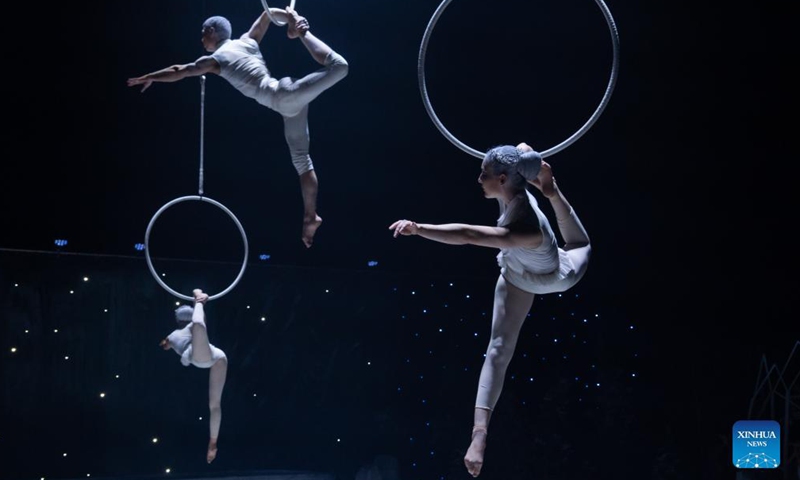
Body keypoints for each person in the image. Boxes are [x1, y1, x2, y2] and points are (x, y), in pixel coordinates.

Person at [389, 143, 591, 477]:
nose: (478, 178)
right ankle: (479, 436)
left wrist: (419, 228)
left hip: (553, 278)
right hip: (515, 270)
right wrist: (526, 153)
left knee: (582, 246)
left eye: (484, 174)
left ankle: (553, 192)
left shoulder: (527, 225)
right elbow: (518, 155)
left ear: (500, 179)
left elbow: (468, 235)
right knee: (497, 349)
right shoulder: (508, 188)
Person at [127, 6, 349, 248]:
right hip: (287, 105)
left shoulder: (216, 59)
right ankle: (310, 218)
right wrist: (289, 19)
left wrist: (150, 76)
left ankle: (305, 34)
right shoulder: (247, 41)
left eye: (203, 33)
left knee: (340, 66)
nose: (201, 39)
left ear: (211, 30)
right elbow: (269, 14)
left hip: (283, 96)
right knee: (302, 160)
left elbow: (180, 71)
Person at [159, 289, 228, 464]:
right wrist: (166, 342)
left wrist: (197, 301)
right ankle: (213, 443)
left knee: (198, 325)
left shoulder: (190, 326)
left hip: (209, 356)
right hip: (212, 358)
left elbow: (199, 322)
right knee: (214, 404)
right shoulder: (172, 335)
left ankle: (199, 298)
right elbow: (164, 345)